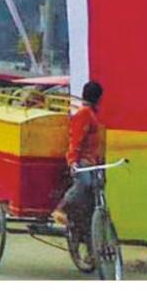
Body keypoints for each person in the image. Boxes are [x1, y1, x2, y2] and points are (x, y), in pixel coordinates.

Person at [51, 81, 105, 229]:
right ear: (98, 98)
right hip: (82, 162)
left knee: (94, 192)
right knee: (84, 185)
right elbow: (76, 139)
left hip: (92, 162)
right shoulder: (84, 114)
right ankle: (61, 209)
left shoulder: (91, 114)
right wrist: (73, 161)